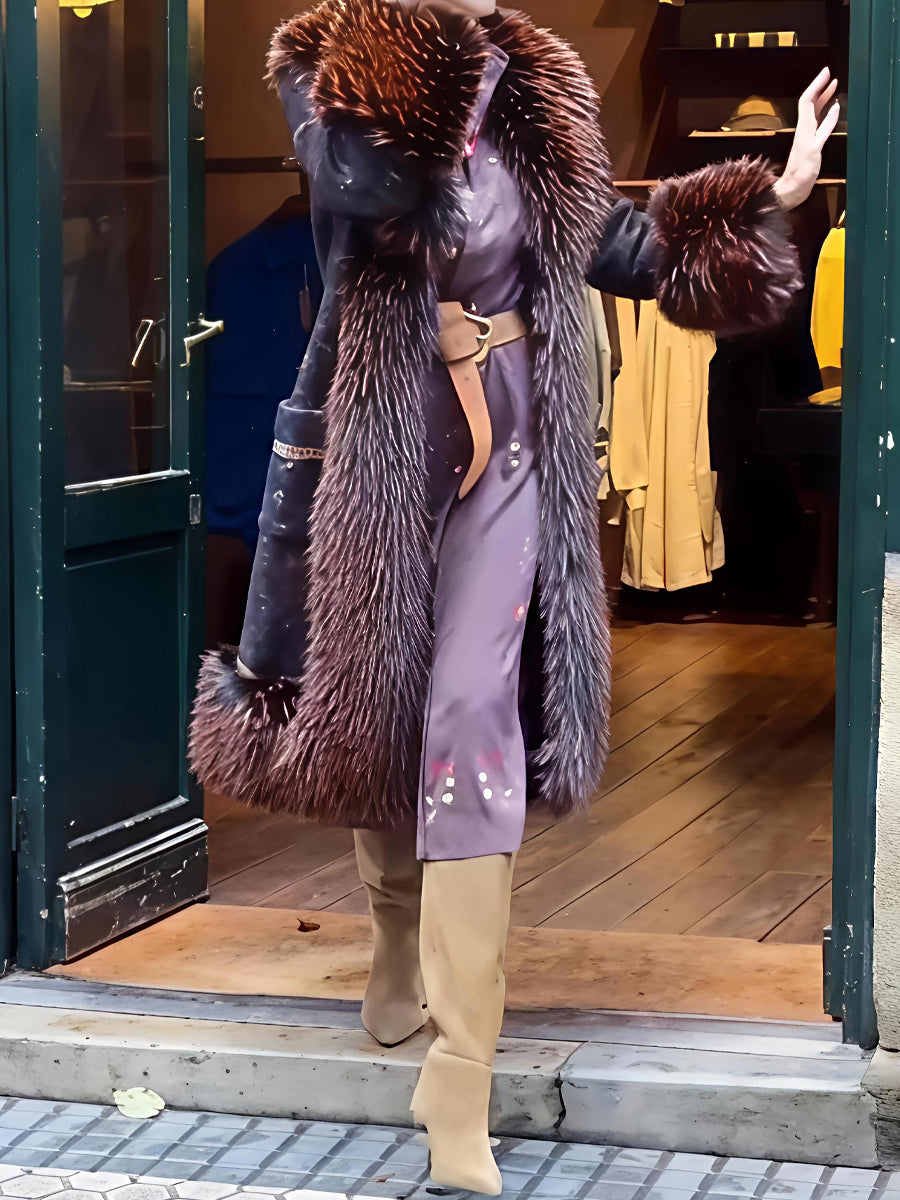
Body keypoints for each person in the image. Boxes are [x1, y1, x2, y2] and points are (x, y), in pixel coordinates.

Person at [191, 0, 838, 1190]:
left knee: (470, 713)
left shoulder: (539, 86)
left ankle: (461, 1078)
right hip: (382, 445)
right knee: (378, 704)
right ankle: (395, 929)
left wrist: (773, 195)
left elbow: (617, 244)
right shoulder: (330, 64)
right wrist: (424, 48)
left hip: (513, 452)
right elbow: (366, 184)